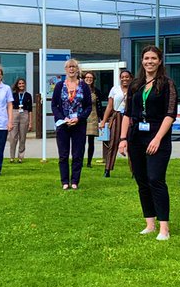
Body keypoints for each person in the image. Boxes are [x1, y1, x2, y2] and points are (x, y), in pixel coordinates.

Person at [118, 46, 177, 240]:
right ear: (142, 61)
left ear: (160, 61)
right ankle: (150, 223)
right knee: (142, 180)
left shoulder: (167, 84)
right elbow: (127, 113)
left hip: (157, 135)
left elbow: (170, 115)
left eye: (153, 58)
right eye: (146, 58)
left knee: (155, 179)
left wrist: (158, 138)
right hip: (136, 137)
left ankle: (164, 228)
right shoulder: (136, 84)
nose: (149, 61)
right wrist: (123, 139)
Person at [51, 59, 93, 190]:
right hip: (63, 124)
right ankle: (64, 181)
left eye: (74, 67)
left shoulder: (84, 86)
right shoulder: (59, 86)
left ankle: (75, 181)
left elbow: (88, 106)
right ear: (65, 69)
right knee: (63, 154)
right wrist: (63, 118)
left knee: (77, 153)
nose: (71, 69)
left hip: (78, 125)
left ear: (77, 69)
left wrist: (79, 118)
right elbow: (54, 106)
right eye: (69, 67)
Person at [101, 69, 132, 177]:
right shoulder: (115, 89)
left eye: (127, 77)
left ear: (130, 78)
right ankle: (107, 169)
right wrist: (104, 121)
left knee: (131, 144)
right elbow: (110, 106)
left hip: (130, 117)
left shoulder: (134, 89)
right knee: (113, 143)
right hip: (117, 117)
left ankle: (134, 171)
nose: (125, 79)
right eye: (122, 77)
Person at [9, 77, 35, 163]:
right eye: (19, 83)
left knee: (22, 137)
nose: (21, 85)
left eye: (23, 83)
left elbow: (30, 110)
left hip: (25, 114)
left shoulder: (28, 95)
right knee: (13, 137)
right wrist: (9, 119)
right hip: (14, 113)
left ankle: (20, 157)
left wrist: (30, 122)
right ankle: (12, 157)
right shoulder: (13, 94)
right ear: (17, 85)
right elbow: (9, 107)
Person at [83, 71, 101, 167]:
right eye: (87, 77)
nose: (89, 79)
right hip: (82, 117)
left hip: (93, 116)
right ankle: (79, 160)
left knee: (91, 141)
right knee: (81, 141)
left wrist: (101, 118)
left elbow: (99, 105)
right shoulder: (80, 89)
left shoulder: (96, 91)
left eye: (91, 78)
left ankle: (89, 162)